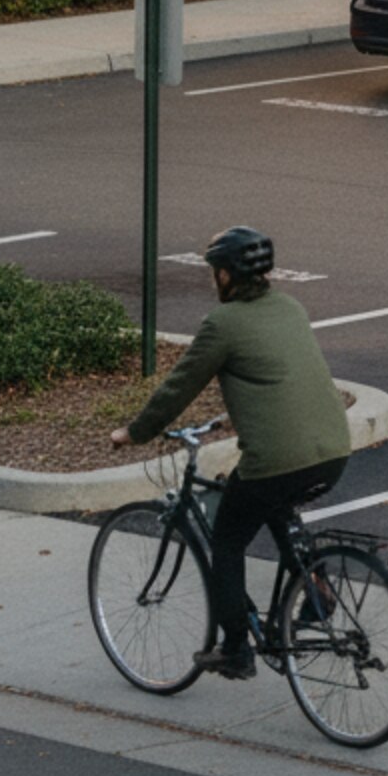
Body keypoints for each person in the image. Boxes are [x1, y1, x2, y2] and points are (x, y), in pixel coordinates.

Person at [113, 226, 352, 680]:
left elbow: (179, 387)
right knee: (274, 502)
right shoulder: (290, 307)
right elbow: (278, 377)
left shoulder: (222, 324)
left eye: (213, 273)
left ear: (225, 277)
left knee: (227, 540)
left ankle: (236, 650)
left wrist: (136, 432)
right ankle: (316, 591)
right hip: (334, 450)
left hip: (278, 458)